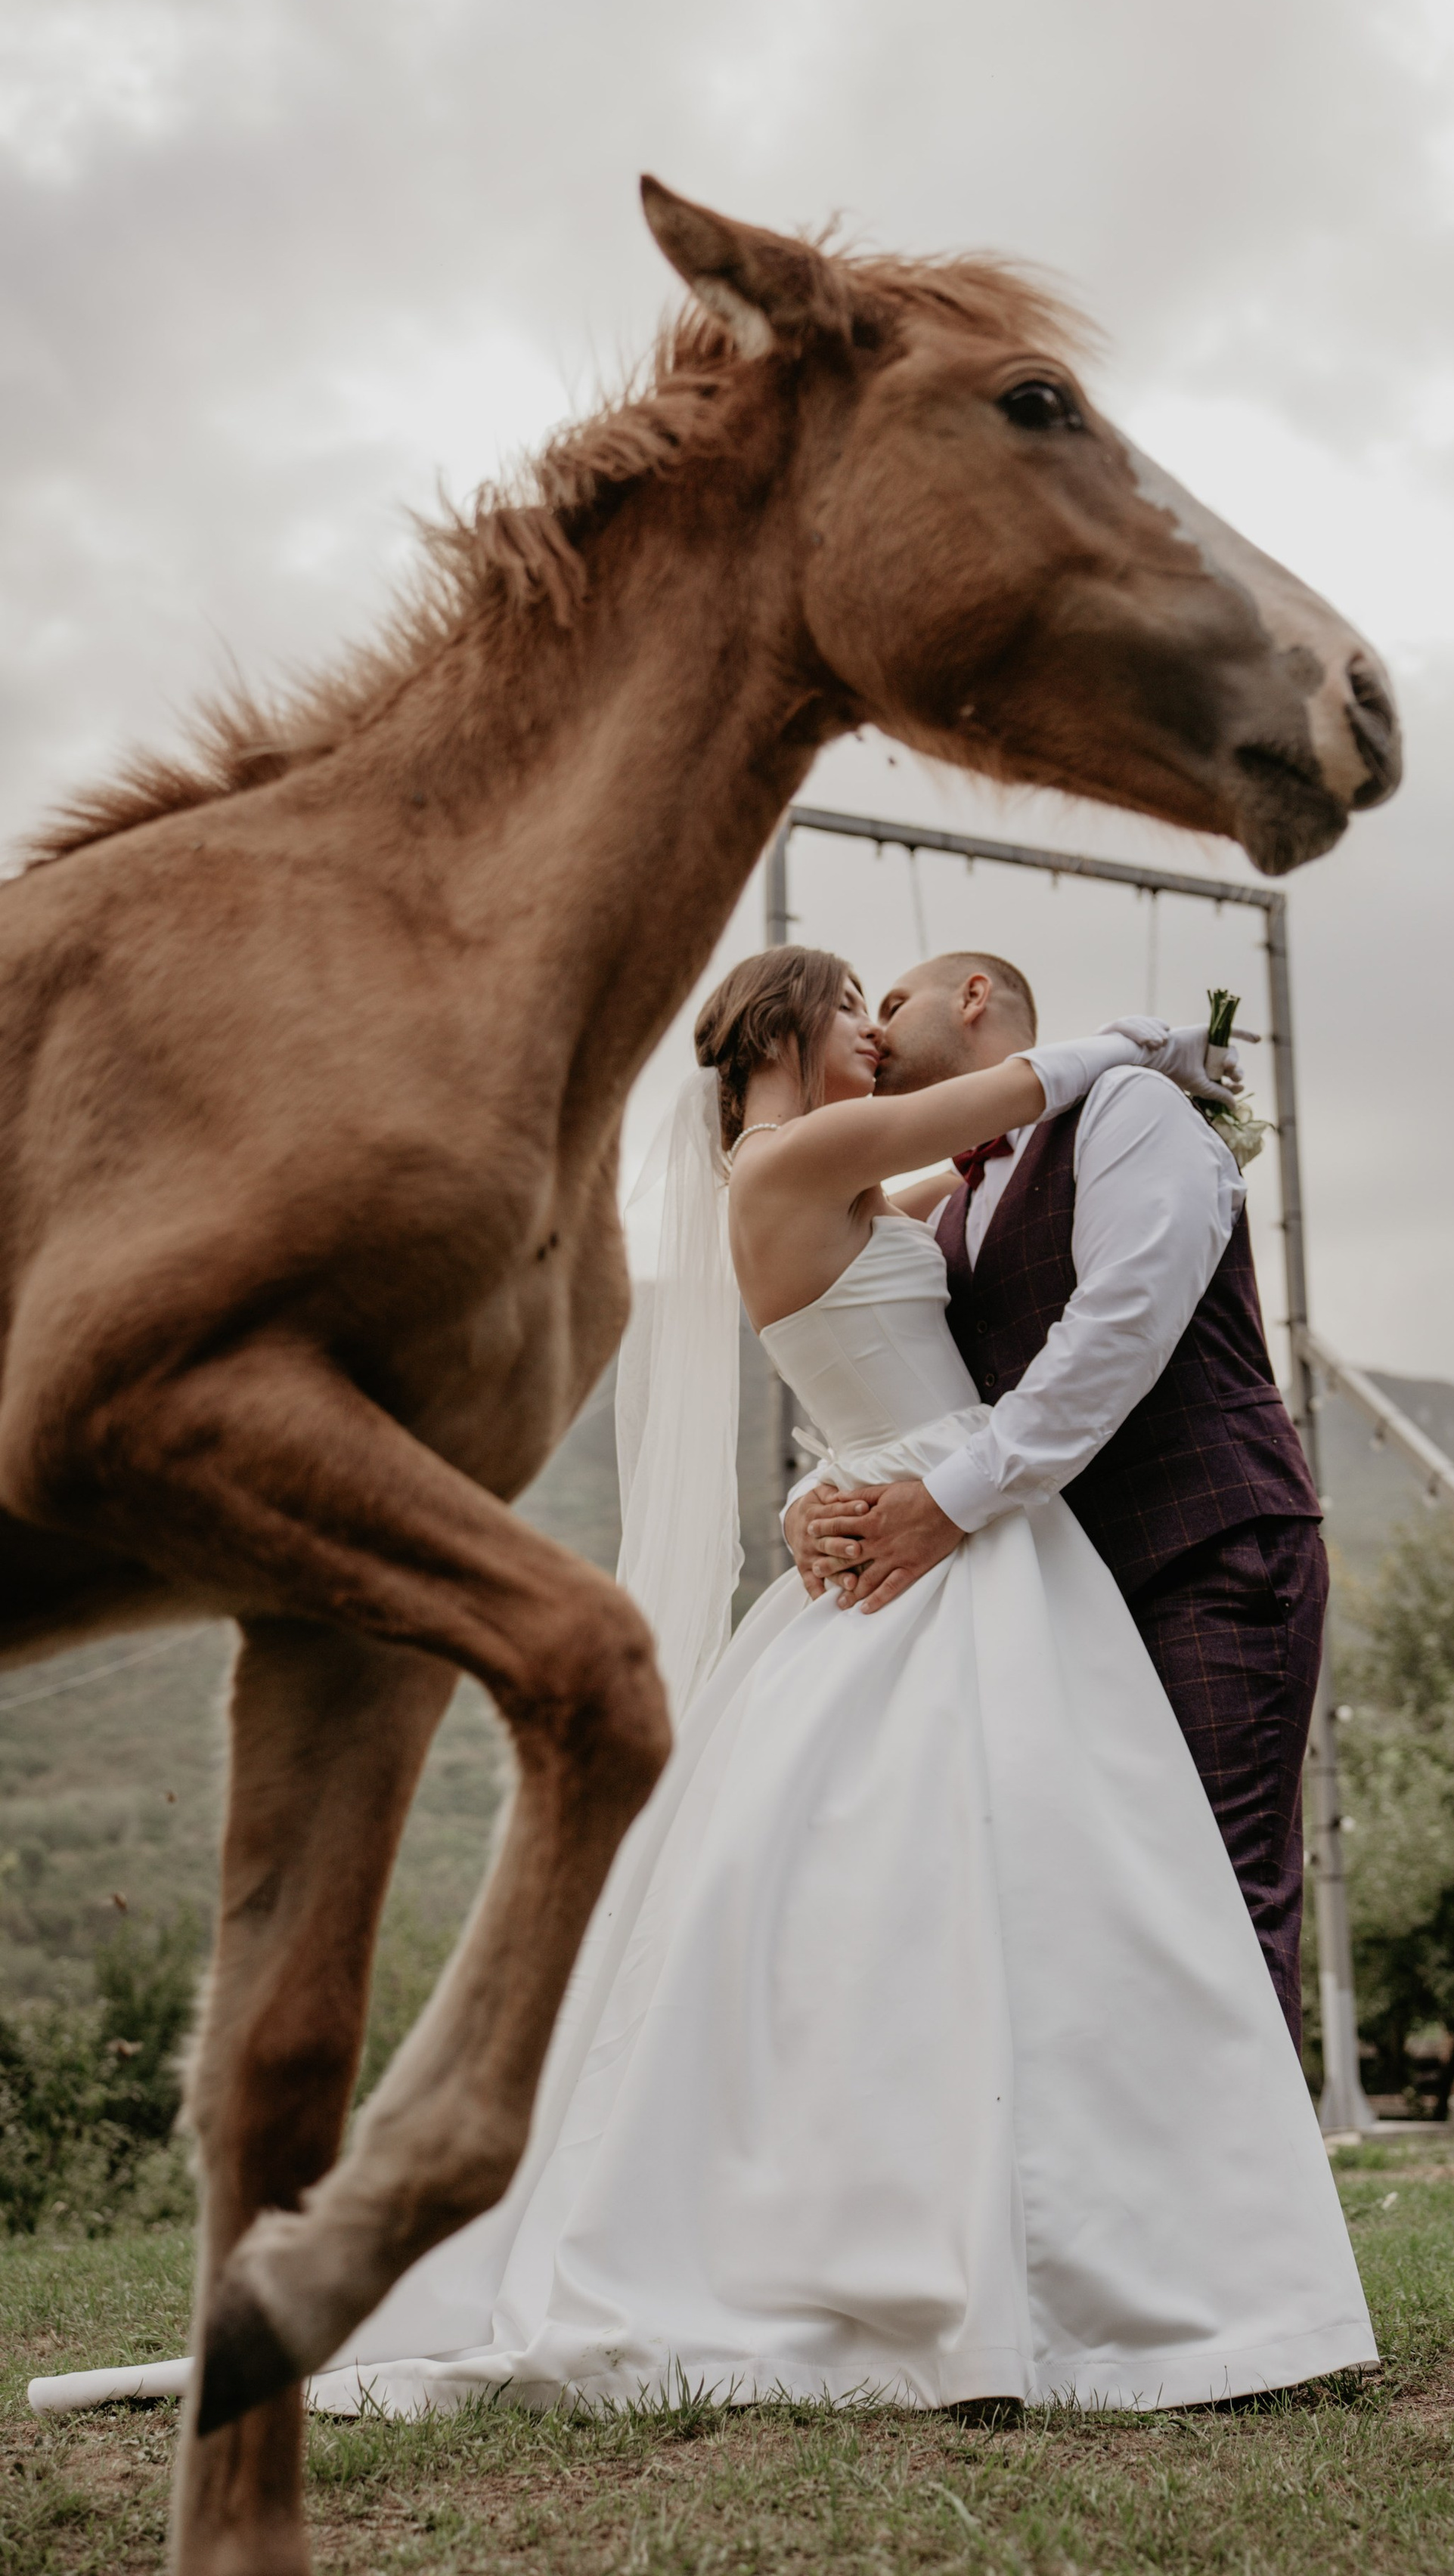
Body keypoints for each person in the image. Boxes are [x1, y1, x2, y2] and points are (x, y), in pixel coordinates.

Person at [33, 949, 1371, 2423]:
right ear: (786, 1028)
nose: (871, 1031)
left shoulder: (855, 1184)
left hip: (962, 1524)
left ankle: (1116, 2244)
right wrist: (1154, 1045)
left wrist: (826, 1486)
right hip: (945, 1542)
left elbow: (899, 1314)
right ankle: (1025, 2262)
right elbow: (1013, 1101)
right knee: (973, 1892)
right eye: (852, 1007)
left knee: (1040, 1896)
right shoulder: (791, 1162)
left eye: (887, 1003)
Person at [786, 950, 1327, 2043]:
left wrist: (947, 1505)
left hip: (1209, 1546)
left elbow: (1121, 1326)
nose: (876, 1032)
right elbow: (926, 1395)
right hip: (1068, 1596)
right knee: (1099, 1909)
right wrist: (823, 1494)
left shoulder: (1129, 1107)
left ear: (974, 997)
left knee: (1217, 1897)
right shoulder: (953, 1211)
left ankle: (1250, 2161)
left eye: (892, 1002)